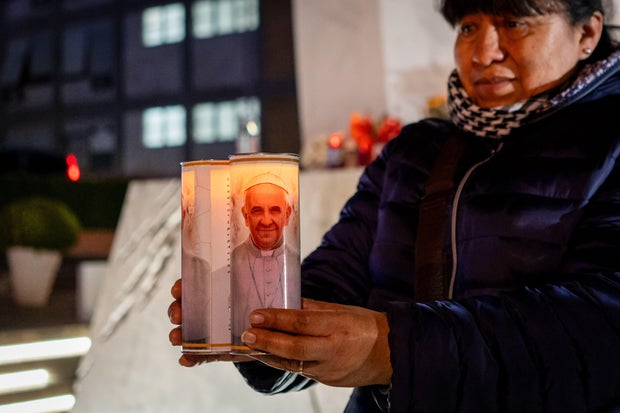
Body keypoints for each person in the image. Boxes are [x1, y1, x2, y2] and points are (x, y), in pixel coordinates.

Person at [169, 0, 620, 411]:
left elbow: (599, 330)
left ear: (587, 32)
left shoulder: (609, 147)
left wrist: (391, 349)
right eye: (468, 26)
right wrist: (261, 323)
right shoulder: (417, 150)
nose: (483, 52)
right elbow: (340, 270)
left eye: (514, 22)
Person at [230, 173, 301, 351]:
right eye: (257, 211)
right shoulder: (231, 260)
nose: (266, 221)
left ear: (287, 214)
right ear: (245, 216)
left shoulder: (294, 260)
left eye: (275, 210)